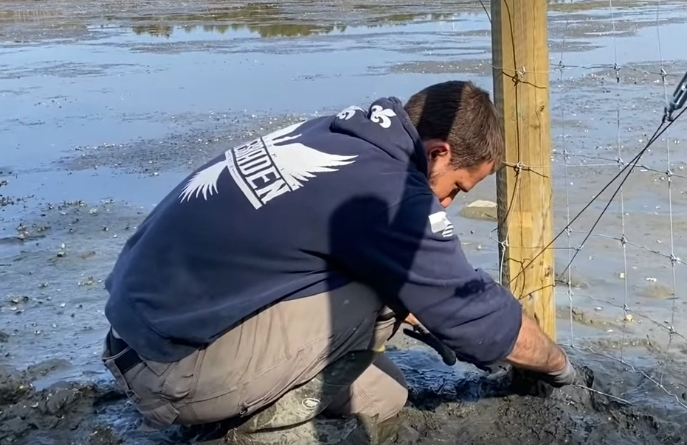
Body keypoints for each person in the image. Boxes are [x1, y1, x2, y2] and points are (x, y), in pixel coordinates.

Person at [100, 80, 578, 443]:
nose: (448, 203)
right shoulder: (388, 190)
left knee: (384, 396)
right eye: (456, 187)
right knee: (376, 296)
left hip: (141, 333)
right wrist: (557, 365)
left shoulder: (340, 136)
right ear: (438, 153)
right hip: (166, 367)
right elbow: (472, 315)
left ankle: (243, 401)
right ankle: (242, 432)